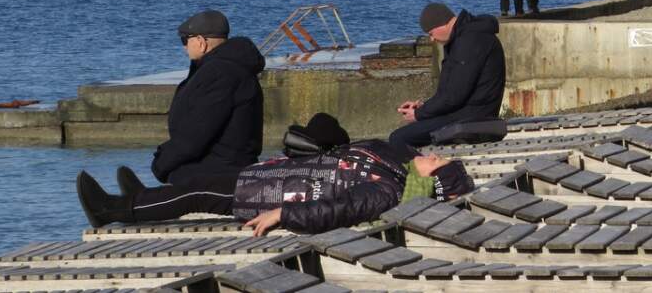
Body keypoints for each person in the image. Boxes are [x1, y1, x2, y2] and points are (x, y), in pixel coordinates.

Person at [77, 136, 474, 236]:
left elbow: (336, 211)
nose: (431, 154)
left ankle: (114, 211)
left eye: (437, 161)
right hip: (277, 175)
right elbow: (381, 144)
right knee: (199, 181)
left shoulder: (386, 191)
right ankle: (141, 198)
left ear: (432, 179)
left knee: (197, 196)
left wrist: (283, 214)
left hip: (273, 196)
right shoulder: (396, 167)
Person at [134, 10, 266, 187]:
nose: (184, 47)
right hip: (223, 164)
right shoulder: (232, 68)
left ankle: (131, 204)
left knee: (177, 181)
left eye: (185, 40)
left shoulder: (219, 74)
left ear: (201, 42)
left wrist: (160, 164)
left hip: (219, 170)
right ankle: (137, 197)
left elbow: (196, 134)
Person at [389, 2, 505, 148]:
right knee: (405, 134)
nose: (431, 39)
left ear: (441, 24)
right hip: (467, 113)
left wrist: (419, 114)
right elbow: (452, 92)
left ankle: (418, 171)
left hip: (472, 118)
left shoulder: (469, 42)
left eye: (431, 33)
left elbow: (454, 97)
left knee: (399, 138)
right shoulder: (463, 38)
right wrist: (423, 107)